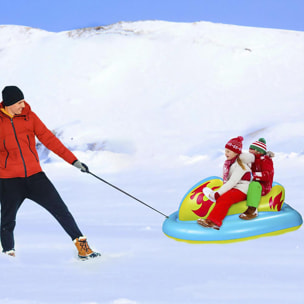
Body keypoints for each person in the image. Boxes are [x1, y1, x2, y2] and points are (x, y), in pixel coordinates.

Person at [0, 85, 101, 260]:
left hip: (35, 177)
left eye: (23, 101)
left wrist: (74, 161)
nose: (23, 106)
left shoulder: (29, 117)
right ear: (8, 104)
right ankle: (9, 255)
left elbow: (49, 139)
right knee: (7, 221)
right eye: (18, 103)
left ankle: (83, 248)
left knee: (61, 210)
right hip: (9, 180)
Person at [197, 136, 251, 230]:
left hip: (242, 190)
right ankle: (211, 219)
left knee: (225, 198)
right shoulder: (230, 163)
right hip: (235, 188)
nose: (225, 154)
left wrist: (218, 193)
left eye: (228, 151)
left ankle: (213, 221)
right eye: (225, 151)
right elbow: (226, 178)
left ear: (236, 152)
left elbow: (232, 181)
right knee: (222, 197)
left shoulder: (240, 165)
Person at [239, 138, 274, 220]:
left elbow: (267, 175)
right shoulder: (252, 160)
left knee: (254, 185)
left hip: (263, 186)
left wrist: (253, 175)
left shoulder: (266, 160)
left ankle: (252, 210)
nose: (249, 152)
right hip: (252, 182)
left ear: (258, 151)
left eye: (251, 150)